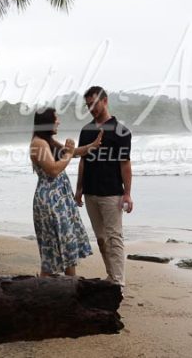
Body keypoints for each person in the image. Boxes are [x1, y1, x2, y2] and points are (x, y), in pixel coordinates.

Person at [30, 107, 102, 277]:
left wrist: (92, 145)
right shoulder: (38, 143)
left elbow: (73, 153)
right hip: (50, 202)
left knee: (68, 245)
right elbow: (53, 170)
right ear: (47, 122)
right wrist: (69, 153)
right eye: (56, 119)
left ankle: (71, 283)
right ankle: (47, 287)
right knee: (53, 250)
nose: (59, 121)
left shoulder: (48, 141)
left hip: (59, 200)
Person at [75, 86, 133, 287]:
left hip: (112, 193)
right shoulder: (86, 131)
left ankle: (118, 282)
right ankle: (111, 276)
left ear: (105, 101)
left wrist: (127, 194)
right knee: (101, 239)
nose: (91, 108)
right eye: (88, 105)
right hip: (90, 192)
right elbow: (83, 161)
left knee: (114, 237)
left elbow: (125, 164)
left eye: (94, 104)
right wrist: (79, 189)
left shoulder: (121, 131)